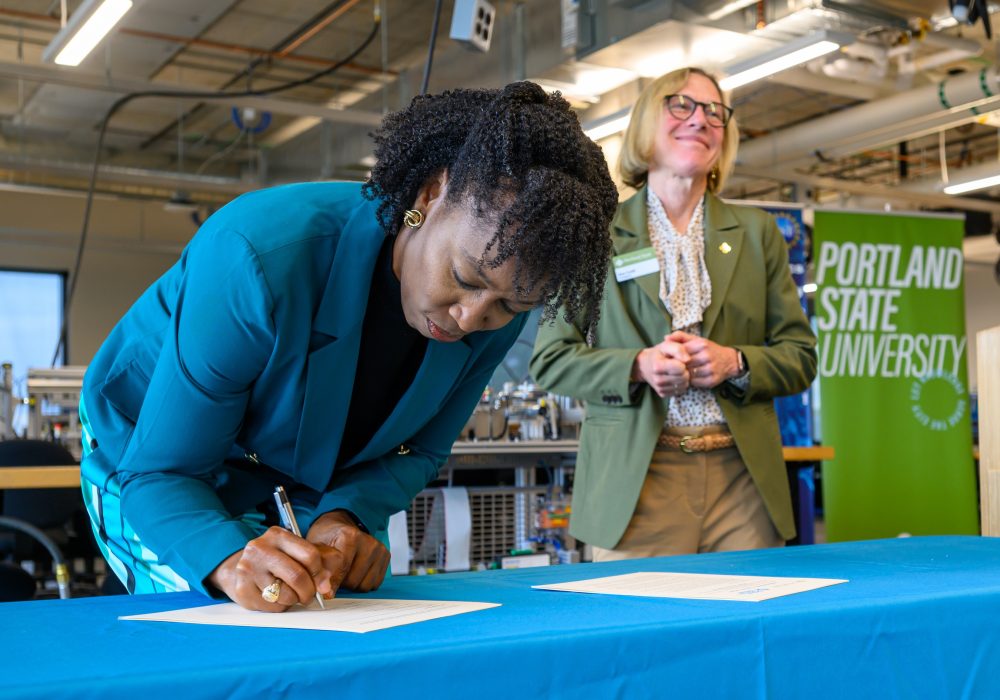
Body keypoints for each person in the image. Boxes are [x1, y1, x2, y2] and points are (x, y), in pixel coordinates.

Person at [80, 81, 618, 610]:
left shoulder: (495, 306)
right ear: (430, 194)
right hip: (144, 452)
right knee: (211, 619)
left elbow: (420, 450)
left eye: (510, 307)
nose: (469, 318)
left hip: (286, 478)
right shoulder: (256, 257)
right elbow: (162, 472)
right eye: (465, 277)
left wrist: (344, 516)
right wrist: (224, 559)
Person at [530, 67, 816, 561]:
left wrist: (736, 363)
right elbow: (552, 360)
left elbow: (800, 357)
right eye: (681, 105)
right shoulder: (597, 231)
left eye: (713, 111)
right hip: (635, 480)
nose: (699, 119)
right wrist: (637, 366)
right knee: (640, 631)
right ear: (645, 124)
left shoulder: (758, 233)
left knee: (748, 630)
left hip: (742, 483)